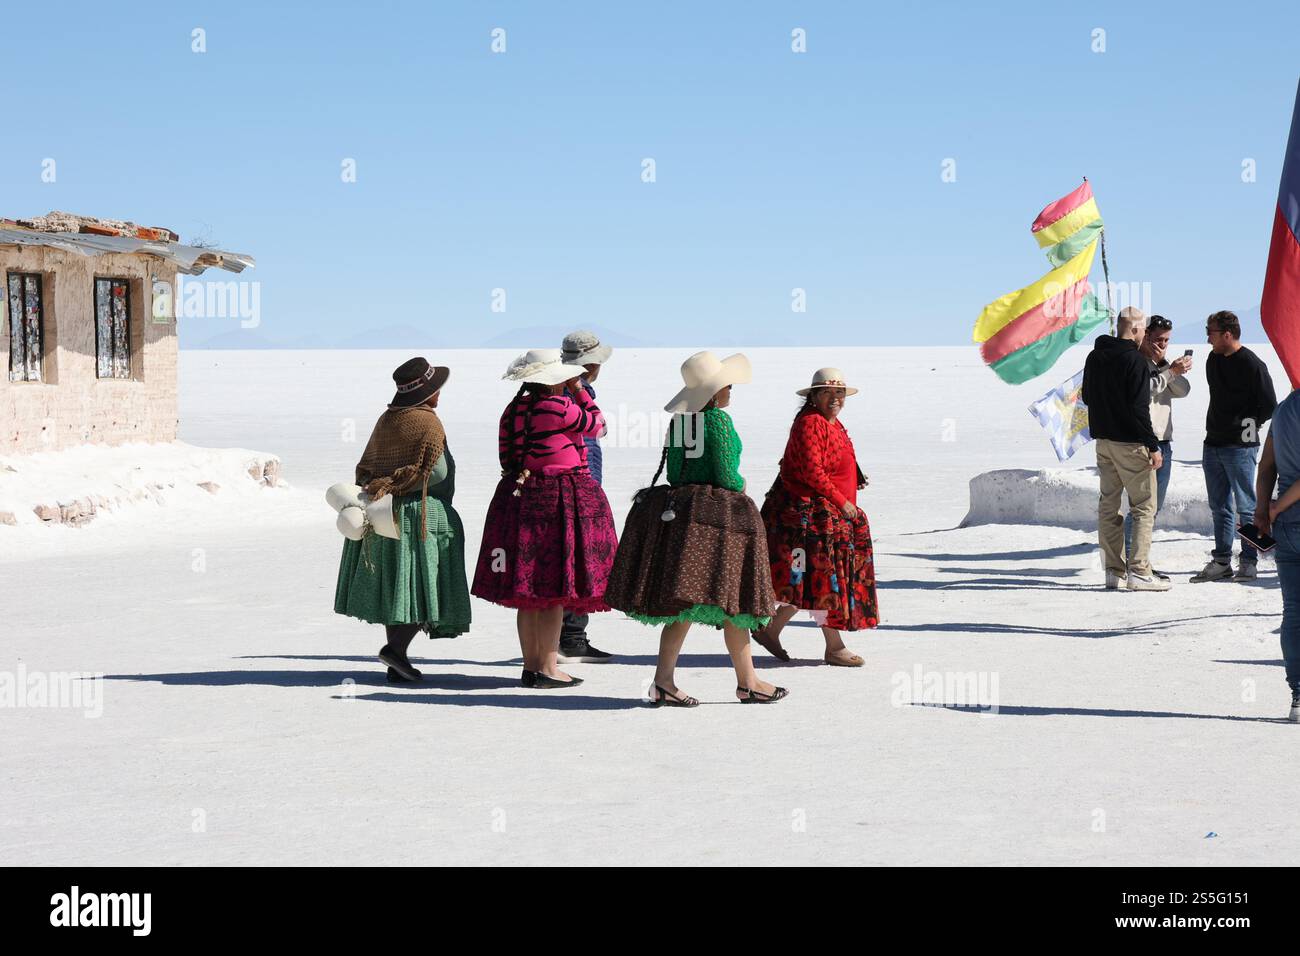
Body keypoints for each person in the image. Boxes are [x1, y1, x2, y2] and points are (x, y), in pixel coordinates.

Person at [603, 351, 787, 706]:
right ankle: (744, 682)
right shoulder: (717, 422)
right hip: (721, 521)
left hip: (684, 516)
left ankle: (670, 680)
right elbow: (726, 475)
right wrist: (741, 483)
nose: (731, 390)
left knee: (684, 604)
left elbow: (675, 472)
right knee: (736, 600)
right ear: (713, 391)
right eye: (726, 385)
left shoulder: (682, 422)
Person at [471, 349, 619, 688]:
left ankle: (531, 666)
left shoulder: (513, 410)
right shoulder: (558, 406)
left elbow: (507, 456)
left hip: (517, 496)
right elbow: (599, 425)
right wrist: (579, 388)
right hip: (557, 499)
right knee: (552, 590)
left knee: (529, 590)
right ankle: (549, 667)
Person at [334, 357, 472, 682]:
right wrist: (405, 482)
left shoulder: (386, 420)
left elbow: (366, 468)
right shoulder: (428, 423)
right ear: (427, 393)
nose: (440, 393)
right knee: (422, 582)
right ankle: (395, 651)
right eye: (436, 388)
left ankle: (398, 658)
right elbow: (435, 472)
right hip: (417, 513)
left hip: (383, 512)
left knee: (399, 582)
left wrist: (386, 483)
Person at [752, 367, 878, 665]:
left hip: (826, 516)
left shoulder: (831, 423)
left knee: (810, 577)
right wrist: (841, 501)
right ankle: (833, 647)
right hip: (807, 519)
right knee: (820, 576)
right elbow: (812, 471)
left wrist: (853, 477)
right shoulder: (810, 423)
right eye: (827, 393)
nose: (835, 398)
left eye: (839, 393)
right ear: (814, 396)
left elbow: (830, 461)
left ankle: (772, 629)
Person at [1081, 306, 1168, 591]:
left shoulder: (1095, 356)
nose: (1145, 335)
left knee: (1108, 506)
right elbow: (1139, 409)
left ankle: (1113, 572)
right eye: (1143, 330)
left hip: (1103, 443)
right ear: (1135, 330)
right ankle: (1140, 572)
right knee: (1144, 506)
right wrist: (1153, 447)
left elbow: (1087, 396)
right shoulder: (1135, 362)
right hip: (1131, 444)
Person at [1192, 310, 1278, 582]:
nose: (1208, 338)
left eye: (1212, 332)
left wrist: (1245, 431)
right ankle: (1221, 561)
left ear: (1227, 334)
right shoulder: (1213, 359)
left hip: (1240, 448)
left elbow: (1269, 406)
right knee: (1219, 506)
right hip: (1213, 443)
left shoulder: (1253, 364)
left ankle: (1250, 561)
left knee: (1247, 507)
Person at [557, 330, 616, 664]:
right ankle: (572, 636)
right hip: (579, 488)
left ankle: (565, 636)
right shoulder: (575, 395)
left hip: (575, 485)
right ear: (591, 364)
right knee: (578, 560)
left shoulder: (561, 391)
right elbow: (598, 428)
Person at [1122, 315, 1193, 580]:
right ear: (1144, 336)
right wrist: (1170, 370)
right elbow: (1144, 392)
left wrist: (1166, 365)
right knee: (1141, 507)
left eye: (1166, 341)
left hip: (1164, 441)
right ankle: (1132, 563)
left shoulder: (1160, 364)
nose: (1161, 345)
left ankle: (1141, 561)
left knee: (1154, 507)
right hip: (1142, 442)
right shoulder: (1135, 363)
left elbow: (1184, 389)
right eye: (1157, 340)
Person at [1252, 392, 1300, 722]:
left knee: (1294, 612)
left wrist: (1263, 509)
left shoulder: (1283, 409)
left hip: (1286, 527)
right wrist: (1277, 507)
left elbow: (1266, 466)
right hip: (1285, 511)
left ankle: (1298, 696)